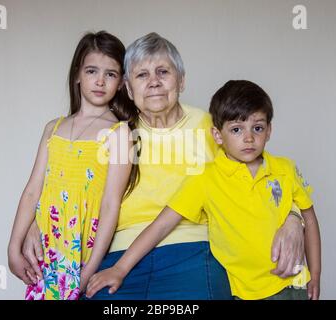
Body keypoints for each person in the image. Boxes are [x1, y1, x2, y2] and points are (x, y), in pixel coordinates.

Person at [22, 33, 306, 300]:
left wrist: (294, 217)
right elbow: (72, 184)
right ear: (129, 88)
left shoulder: (211, 127)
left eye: (163, 72)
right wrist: (37, 222)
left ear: (181, 81)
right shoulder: (114, 132)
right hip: (120, 252)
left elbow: (261, 170)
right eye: (142, 75)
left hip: (193, 249)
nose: (154, 82)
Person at [86, 80, 321, 300]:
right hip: (244, 292)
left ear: (269, 130)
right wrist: (119, 268)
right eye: (237, 130)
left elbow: (309, 218)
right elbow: (161, 225)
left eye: (257, 128)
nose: (249, 138)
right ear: (217, 135)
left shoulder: (285, 169)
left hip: (294, 285)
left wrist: (316, 275)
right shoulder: (205, 178)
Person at [7, 31, 139, 300]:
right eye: (92, 71)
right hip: (45, 249)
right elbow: (33, 190)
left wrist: (90, 269)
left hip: (83, 249)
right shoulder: (52, 128)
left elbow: (110, 203)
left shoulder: (120, 133)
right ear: (78, 74)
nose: (100, 81)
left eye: (111, 74)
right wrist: (13, 247)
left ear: (121, 83)